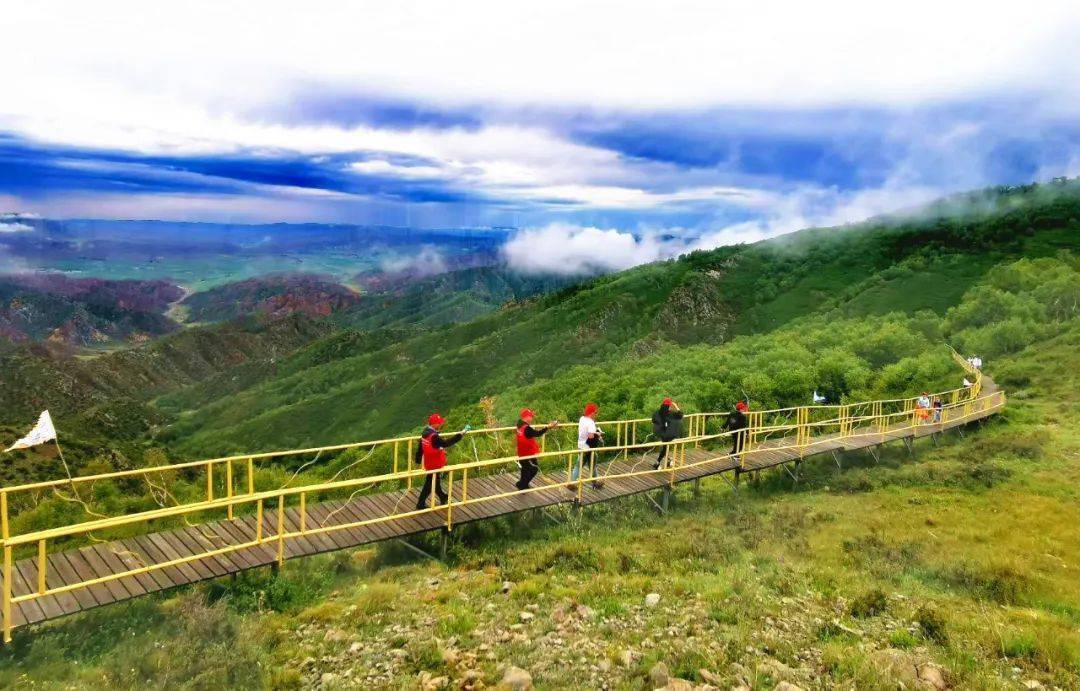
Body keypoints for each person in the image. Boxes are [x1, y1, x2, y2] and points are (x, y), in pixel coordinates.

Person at [414, 413, 468, 510]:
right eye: (439, 423)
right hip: (435, 463)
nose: (440, 424)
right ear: (434, 424)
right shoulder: (434, 436)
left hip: (429, 462)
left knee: (435, 481)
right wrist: (460, 435)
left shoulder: (425, 432)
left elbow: (421, 447)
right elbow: (446, 443)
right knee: (429, 484)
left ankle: (443, 497)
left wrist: (417, 461)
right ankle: (420, 504)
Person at [516, 408, 557, 490]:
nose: (532, 418)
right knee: (534, 469)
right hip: (528, 454)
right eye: (531, 416)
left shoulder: (519, 424)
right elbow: (537, 433)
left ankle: (522, 484)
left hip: (521, 452)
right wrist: (548, 427)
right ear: (526, 417)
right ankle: (522, 485)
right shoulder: (527, 428)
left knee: (525, 469)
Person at [573, 403, 604, 491]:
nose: (597, 415)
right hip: (588, 446)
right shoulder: (591, 422)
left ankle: (571, 482)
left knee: (579, 465)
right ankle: (595, 483)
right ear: (592, 413)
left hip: (581, 445)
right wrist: (598, 434)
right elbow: (591, 436)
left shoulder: (582, 419)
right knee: (591, 464)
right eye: (596, 413)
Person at [651, 397, 684, 470]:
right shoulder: (670, 414)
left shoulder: (657, 412)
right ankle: (658, 463)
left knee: (665, 448)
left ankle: (667, 460)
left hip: (661, 433)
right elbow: (681, 415)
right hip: (669, 434)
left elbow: (653, 420)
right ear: (669, 405)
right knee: (665, 448)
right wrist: (676, 406)